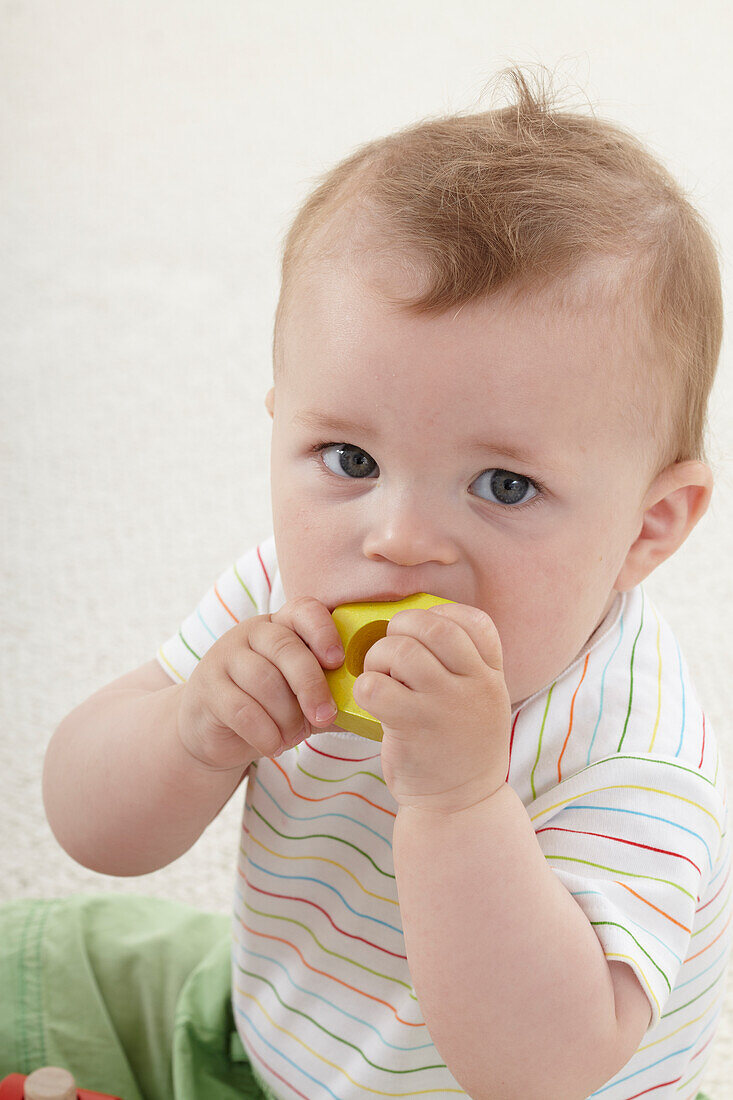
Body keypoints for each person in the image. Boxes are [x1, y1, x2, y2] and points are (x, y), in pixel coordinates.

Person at [11, 68, 729, 1100]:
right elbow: (88, 828)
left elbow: (539, 1069)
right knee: (48, 947)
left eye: (503, 484)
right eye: (349, 459)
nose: (394, 539)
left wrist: (459, 799)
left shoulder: (631, 750)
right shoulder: (281, 594)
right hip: (276, 1039)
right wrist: (191, 728)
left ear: (646, 528)